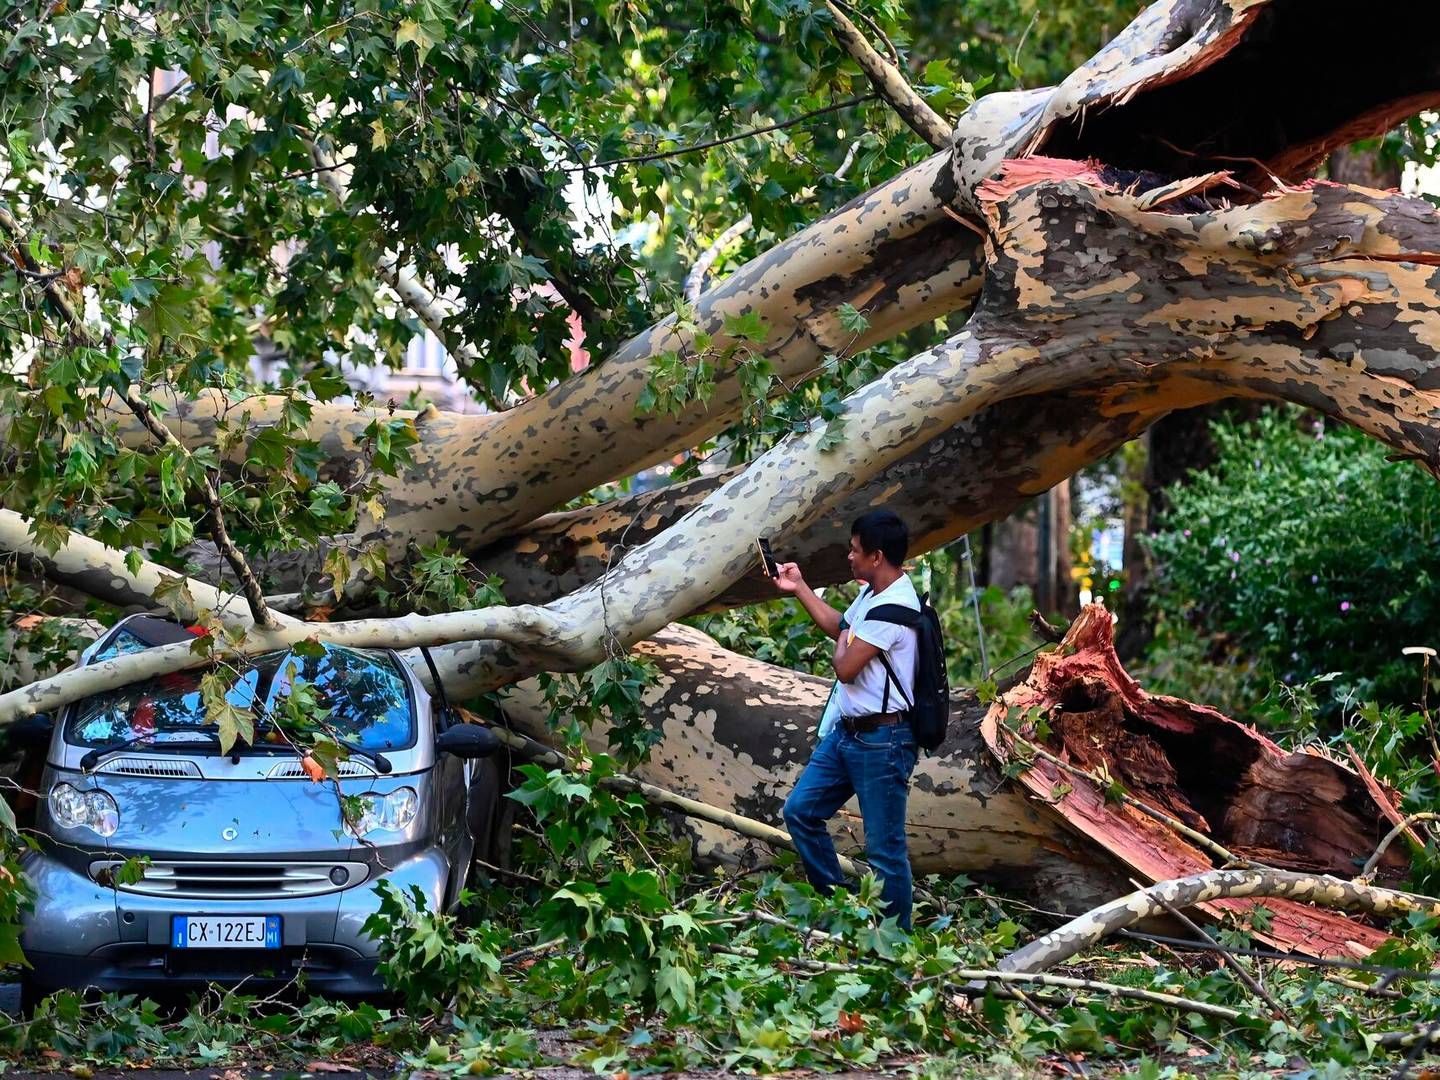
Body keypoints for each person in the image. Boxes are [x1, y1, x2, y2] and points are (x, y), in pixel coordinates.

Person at [772, 509, 920, 929]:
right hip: (848, 733)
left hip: (884, 740)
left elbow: (845, 667)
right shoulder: (872, 595)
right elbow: (842, 626)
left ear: (876, 556)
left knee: (885, 850)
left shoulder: (894, 607)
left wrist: (846, 636)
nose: (848, 557)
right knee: (801, 812)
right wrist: (798, 587)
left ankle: (895, 945)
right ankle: (840, 912)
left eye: (855, 551)